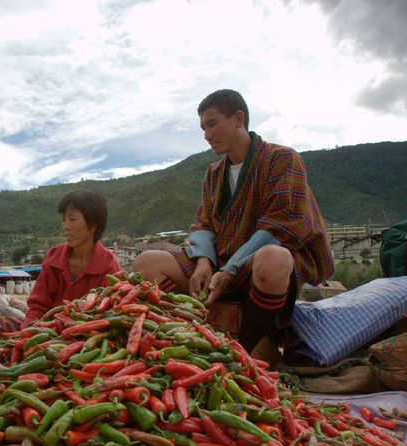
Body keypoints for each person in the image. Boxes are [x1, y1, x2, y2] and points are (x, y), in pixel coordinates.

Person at [134, 89, 333, 361]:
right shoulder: (214, 173)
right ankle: (195, 335)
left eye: (212, 123)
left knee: (274, 258)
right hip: (220, 261)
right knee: (148, 262)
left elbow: (283, 224)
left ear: (239, 119)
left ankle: (251, 346)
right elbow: (203, 222)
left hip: (255, 267)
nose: (206, 135)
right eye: (203, 128)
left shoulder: (282, 159)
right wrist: (204, 261)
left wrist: (231, 269)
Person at [23, 189, 122, 326]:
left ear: (93, 224)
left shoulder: (109, 267)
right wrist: (27, 330)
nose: (66, 226)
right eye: (64, 220)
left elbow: (105, 317)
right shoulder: (54, 257)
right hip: (48, 332)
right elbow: (38, 306)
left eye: (72, 219)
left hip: (86, 335)